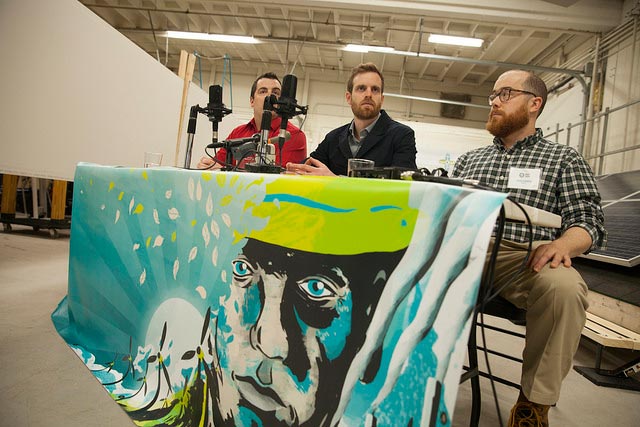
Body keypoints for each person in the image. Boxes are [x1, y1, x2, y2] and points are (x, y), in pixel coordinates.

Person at [452, 69, 606, 427]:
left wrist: (563, 244)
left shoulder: (564, 159)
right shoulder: (469, 160)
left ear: (534, 104)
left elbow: (589, 221)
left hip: (524, 258)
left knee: (565, 289)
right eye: (493, 95)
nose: (494, 102)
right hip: (466, 250)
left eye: (505, 94)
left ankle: (533, 405)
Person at [285, 63, 416, 176]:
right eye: (361, 88)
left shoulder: (402, 136)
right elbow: (309, 165)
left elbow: (403, 186)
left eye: (375, 89)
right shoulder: (333, 139)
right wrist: (293, 170)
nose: (368, 94)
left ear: (381, 99)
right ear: (348, 98)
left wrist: (335, 180)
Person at [197, 72, 307, 170]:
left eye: (276, 92)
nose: (270, 96)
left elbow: (275, 177)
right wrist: (209, 165)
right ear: (252, 101)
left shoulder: (294, 135)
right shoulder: (237, 133)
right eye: (263, 91)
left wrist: (224, 170)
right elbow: (216, 164)